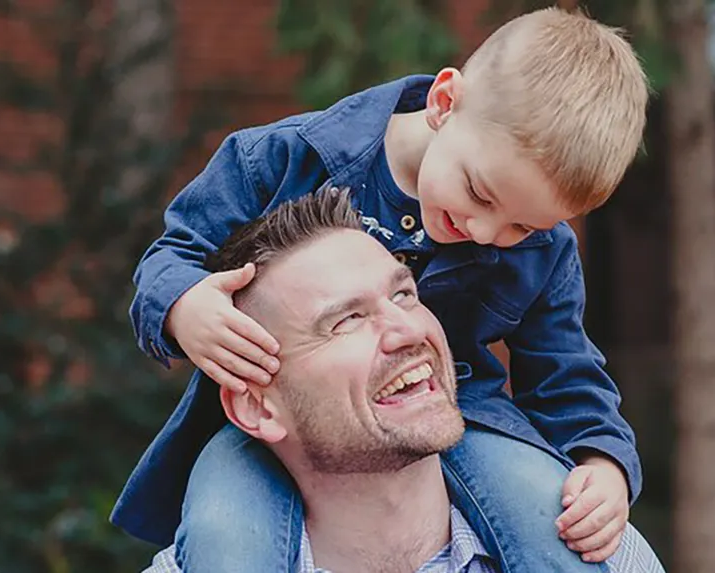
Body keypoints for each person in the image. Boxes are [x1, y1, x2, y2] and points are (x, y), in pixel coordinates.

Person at [112, 6, 650, 571]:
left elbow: (566, 371)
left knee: (557, 525)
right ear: (444, 103)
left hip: (464, 415)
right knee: (226, 536)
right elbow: (175, 253)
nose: (487, 232)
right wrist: (184, 306)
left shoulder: (546, 251)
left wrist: (602, 461)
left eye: (523, 226)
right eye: (482, 194)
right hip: (271, 422)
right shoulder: (285, 158)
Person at [142, 190, 664, 572]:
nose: (405, 331)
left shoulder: (604, 557)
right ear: (257, 407)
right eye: (345, 321)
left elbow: (570, 373)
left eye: (404, 295)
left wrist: (603, 458)